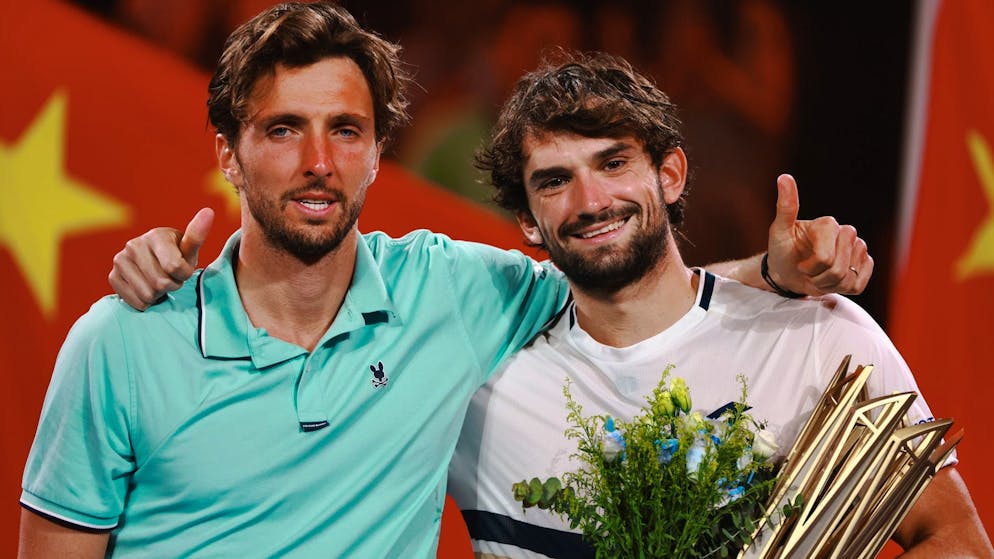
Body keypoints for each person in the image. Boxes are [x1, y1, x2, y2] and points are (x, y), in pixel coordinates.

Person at [20, 4, 869, 558]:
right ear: (227, 154)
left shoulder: (451, 290)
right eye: (284, 129)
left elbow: (619, 275)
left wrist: (770, 271)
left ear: (378, 152)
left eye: (345, 130)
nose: (319, 163)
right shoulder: (122, 339)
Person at [446, 52, 993, 558]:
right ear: (526, 220)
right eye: (556, 180)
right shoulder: (473, 386)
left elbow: (956, 541)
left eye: (613, 164)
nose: (591, 202)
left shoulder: (819, 340)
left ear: (671, 175)